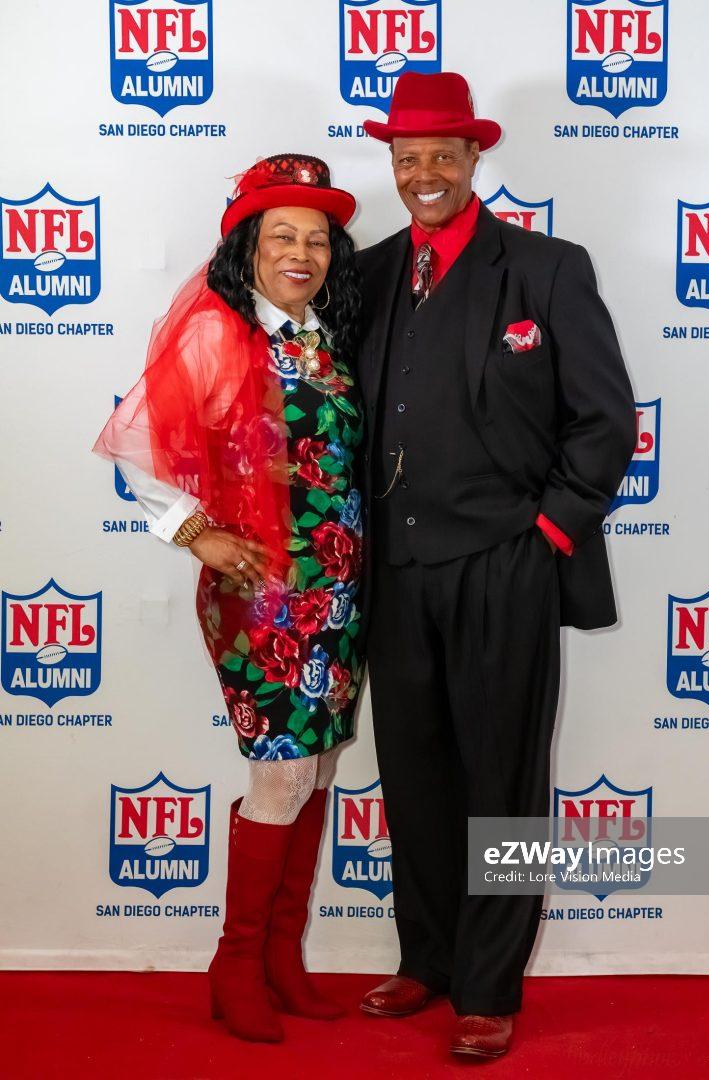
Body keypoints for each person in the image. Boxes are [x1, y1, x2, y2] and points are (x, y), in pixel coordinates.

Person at [355, 72, 636, 1059]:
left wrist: (548, 532)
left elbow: (605, 420)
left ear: (475, 158)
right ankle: (429, 959)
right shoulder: (369, 274)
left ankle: (488, 985)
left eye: (443, 154)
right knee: (414, 773)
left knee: (503, 779)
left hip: (506, 560)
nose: (424, 173)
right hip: (395, 568)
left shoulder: (547, 268)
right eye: (408, 158)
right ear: (392, 166)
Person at [93, 154, 365, 1044]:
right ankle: (236, 963)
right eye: (282, 235)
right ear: (248, 245)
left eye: (316, 239)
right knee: (281, 772)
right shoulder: (218, 331)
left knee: (316, 767)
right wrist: (195, 532)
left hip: (338, 592)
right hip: (263, 595)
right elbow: (136, 446)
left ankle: (283, 957)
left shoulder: (325, 333)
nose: (301, 253)